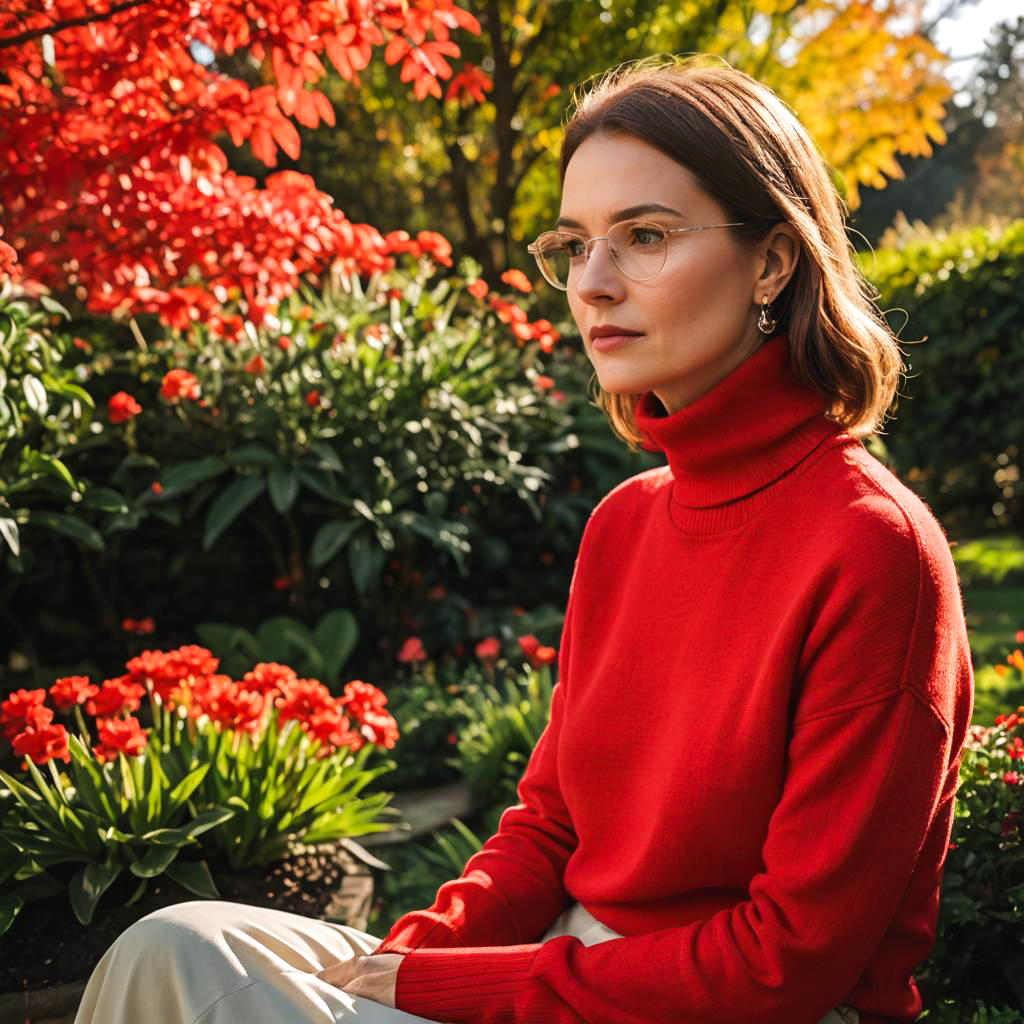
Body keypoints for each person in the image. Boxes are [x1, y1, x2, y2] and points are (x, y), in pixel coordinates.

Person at [74, 53, 974, 1024]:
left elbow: (787, 963)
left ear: (772, 258)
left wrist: (437, 987)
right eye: (574, 244)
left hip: (734, 1006)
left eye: (643, 236)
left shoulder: (872, 547)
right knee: (172, 944)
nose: (592, 283)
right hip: (571, 969)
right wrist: (409, 960)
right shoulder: (626, 522)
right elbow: (550, 823)